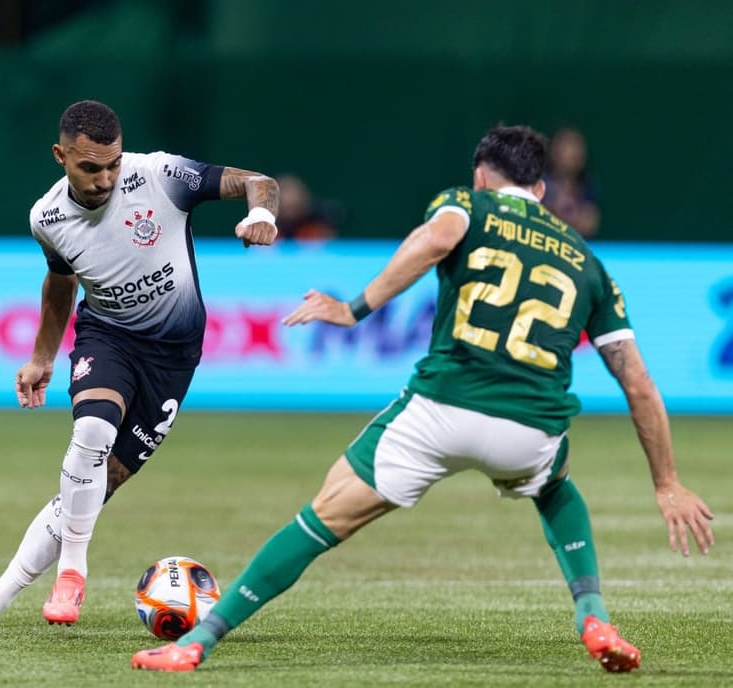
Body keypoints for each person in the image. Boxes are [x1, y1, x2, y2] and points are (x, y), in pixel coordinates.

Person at [129, 125, 714, 674]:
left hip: (443, 407)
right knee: (555, 483)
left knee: (321, 518)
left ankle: (195, 644)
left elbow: (438, 238)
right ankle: (595, 619)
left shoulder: (468, 204)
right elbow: (637, 381)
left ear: (482, 176)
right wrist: (666, 483)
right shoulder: (590, 263)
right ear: (541, 188)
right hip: (530, 430)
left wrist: (353, 307)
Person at [0, 99, 279, 635]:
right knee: (91, 428)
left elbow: (259, 181)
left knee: (104, 479)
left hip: (173, 356)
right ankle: (72, 570)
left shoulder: (161, 175)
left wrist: (261, 214)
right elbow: (61, 282)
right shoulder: (47, 218)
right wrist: (42, 356)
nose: (104, 179)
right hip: (108, 335)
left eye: (112, 164)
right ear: (60, 156)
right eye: (89, 167)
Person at [542, 127, 601, 239]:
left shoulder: (587, 186)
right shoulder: (539, 185)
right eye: (566, 147)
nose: (573, 153)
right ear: (553, 150)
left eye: (577, 147)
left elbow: (590, 225)